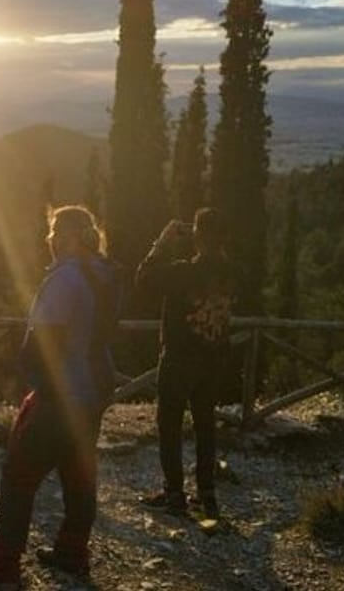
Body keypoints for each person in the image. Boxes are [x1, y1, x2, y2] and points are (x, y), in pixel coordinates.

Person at [0, 205, 122, 590]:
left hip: (62, 393)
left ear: (66, 237)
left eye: (52, 235)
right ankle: (72, 554)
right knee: (79, 474)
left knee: (19, 476)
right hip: (96, 388)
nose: (48, 243)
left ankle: (2, 570)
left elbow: (42, 344)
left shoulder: (64, 279)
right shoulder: (107, 274)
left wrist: (36, 383)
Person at [136, 207, 235, 520]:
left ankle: (174, 495)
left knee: (170, 426)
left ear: (197, 235)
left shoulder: (183, 273)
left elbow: (144, 279)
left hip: (179, 359)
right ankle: (207, 495)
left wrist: (162, 241)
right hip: (214, 358)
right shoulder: (233, 273)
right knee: (206, 425)